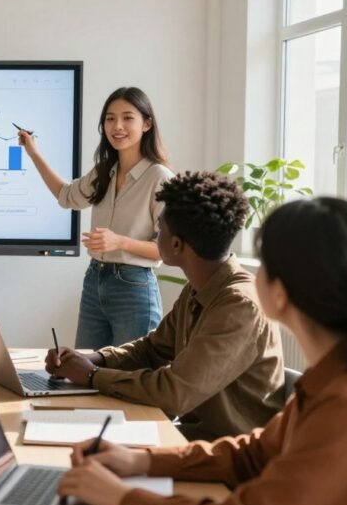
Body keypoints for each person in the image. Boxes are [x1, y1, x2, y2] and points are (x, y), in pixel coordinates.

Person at [58, 197, 347, 505]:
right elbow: (253, 454)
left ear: (279, 292)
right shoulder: (337, 379)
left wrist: (123, 498)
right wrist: (140, 462)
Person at [46, 172, 283, 440]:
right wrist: (94, 359)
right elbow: (152, 349)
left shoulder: (239, 306)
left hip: (229, 455)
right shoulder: (199, 287)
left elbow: (174, 394)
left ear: (177, 244)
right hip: (194, 438)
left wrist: (92, 376)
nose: (155, 236)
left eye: (159, 229)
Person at [21, 87, 173, 348]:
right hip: (95, 280)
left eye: (128, 118)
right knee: (84, 370)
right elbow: (66, 196)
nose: (117, 126)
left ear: (147, 124)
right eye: (110, 118)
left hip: (134, 286)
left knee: (130, 375)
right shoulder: (105, 171)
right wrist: (33, 152)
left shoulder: (159, 177)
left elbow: (166, 250)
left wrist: (119, 242)